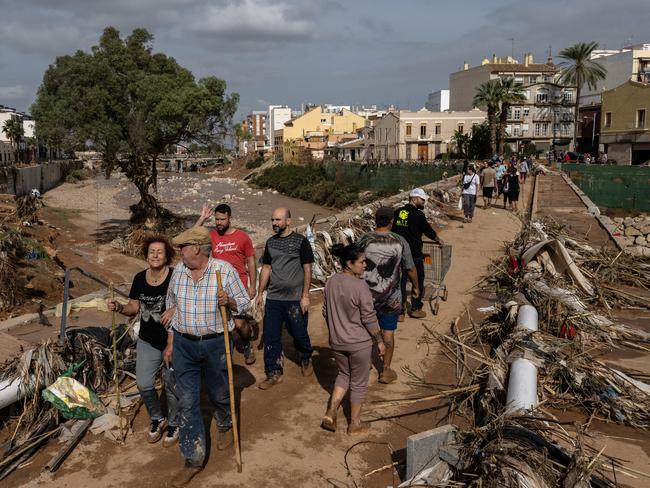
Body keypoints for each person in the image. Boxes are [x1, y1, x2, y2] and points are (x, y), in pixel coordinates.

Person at [165, 227, 250, 487]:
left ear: (198, 249)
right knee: (187, 400)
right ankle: (193, 458)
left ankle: (224, 422)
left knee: (220, 392)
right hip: (183, 344)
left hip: (215, 344)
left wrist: (231, 303)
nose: (180, 252)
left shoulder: (223, 271)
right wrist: (170, 340)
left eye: (183, 247)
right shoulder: (179, 271)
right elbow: (172, 305)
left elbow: (246, 304)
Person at [107, 236, 180, 447]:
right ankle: (158, 417)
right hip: (148, 339)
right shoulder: (139, 278)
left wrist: (175, 308)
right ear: (146, 255)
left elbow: (186, 299)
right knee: (144, 384)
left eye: (159, 252)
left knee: (171, 385)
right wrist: (120, 307)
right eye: (151, 252)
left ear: (167, 256)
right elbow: (134, 307)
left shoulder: (175, 277)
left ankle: (175, 423)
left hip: (172, 339)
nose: (155, 255)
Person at [321, 243, 385, 435]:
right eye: (362, 262)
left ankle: (332, 411)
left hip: (337, 341)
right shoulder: (360, 286)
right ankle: (355, 424)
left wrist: (336, 328)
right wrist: (379, 340)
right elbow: (368, 317)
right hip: (359, 343)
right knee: (358, 382)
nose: (365, 265)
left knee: (343, 375)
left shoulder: (331, 282)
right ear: (349, 263)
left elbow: (325, 312)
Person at [256, 207, 314, 390]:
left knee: (299, 333)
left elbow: (307, 269)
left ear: (289, 221)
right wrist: (259, 293)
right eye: (273, 220)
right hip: (274, 298)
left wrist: (305, 295)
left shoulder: (301, 242)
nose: (274, 223)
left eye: (278, 220)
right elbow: (266, 268)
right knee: (271, 336)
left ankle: (305, 357)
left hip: (295, 299)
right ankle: (274, 372)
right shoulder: (270, 243)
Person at [359, 207, 418, 384]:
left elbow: (352, 263)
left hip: (366, 296)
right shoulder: (400, 241)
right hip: (391, 297)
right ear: (392, 221)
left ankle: (366, 363)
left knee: (364, 330)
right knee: (388, 333)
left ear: (375, 220)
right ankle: (385, 370)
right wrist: (416, 287)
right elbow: (410, 268)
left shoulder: (365, 239)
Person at [194, 202, 257, 365]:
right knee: (217, 322)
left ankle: (246, 342)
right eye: (216, 219)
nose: (219, 223)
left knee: (239, 323)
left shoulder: (242, 237)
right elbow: (191, 237)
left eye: (222, 219)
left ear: (230, 218)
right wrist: (202, 218)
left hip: (238, 285)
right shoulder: (212, 235)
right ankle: (220, 355)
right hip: (217, 286)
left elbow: (251, 261)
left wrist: (252, 286)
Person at [392, 188, 443, 320]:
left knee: (400, 282)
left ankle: (400, 312)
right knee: (418, 280)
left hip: (398, 253)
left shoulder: (397, 212)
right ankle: (415, 308)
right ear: (414, 199)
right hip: (414, 253)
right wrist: (438, 240)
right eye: (422, 199)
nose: (424, 202)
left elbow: (393, 231)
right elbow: (428, 231)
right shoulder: (418, 215)